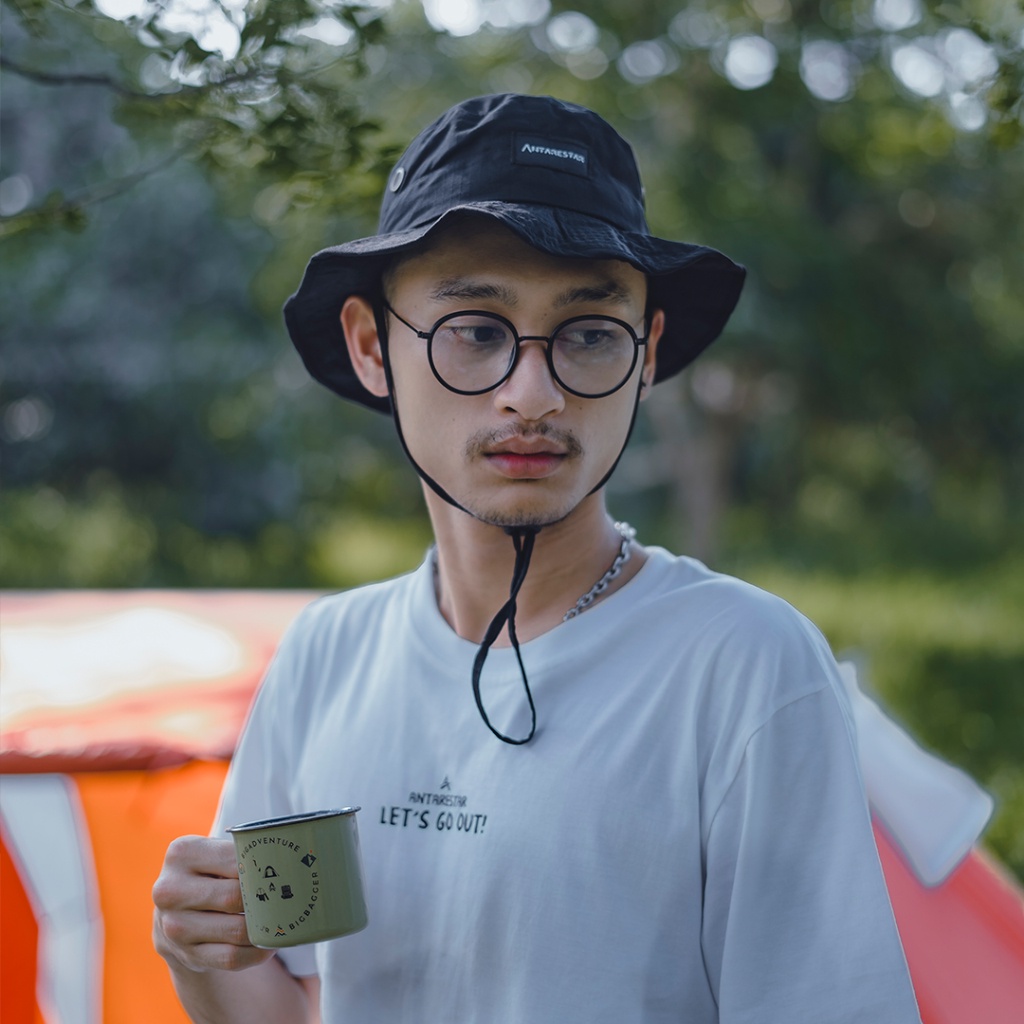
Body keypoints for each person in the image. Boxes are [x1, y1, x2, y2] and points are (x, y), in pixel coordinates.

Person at [152, 93, 921, 1023]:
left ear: (646, 355)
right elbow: (300, 1003)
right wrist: (202, 951)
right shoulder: (328, 655)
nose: (532, 393)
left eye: (588, 334)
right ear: (371, 347)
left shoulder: (744, 666)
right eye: (475, 330)